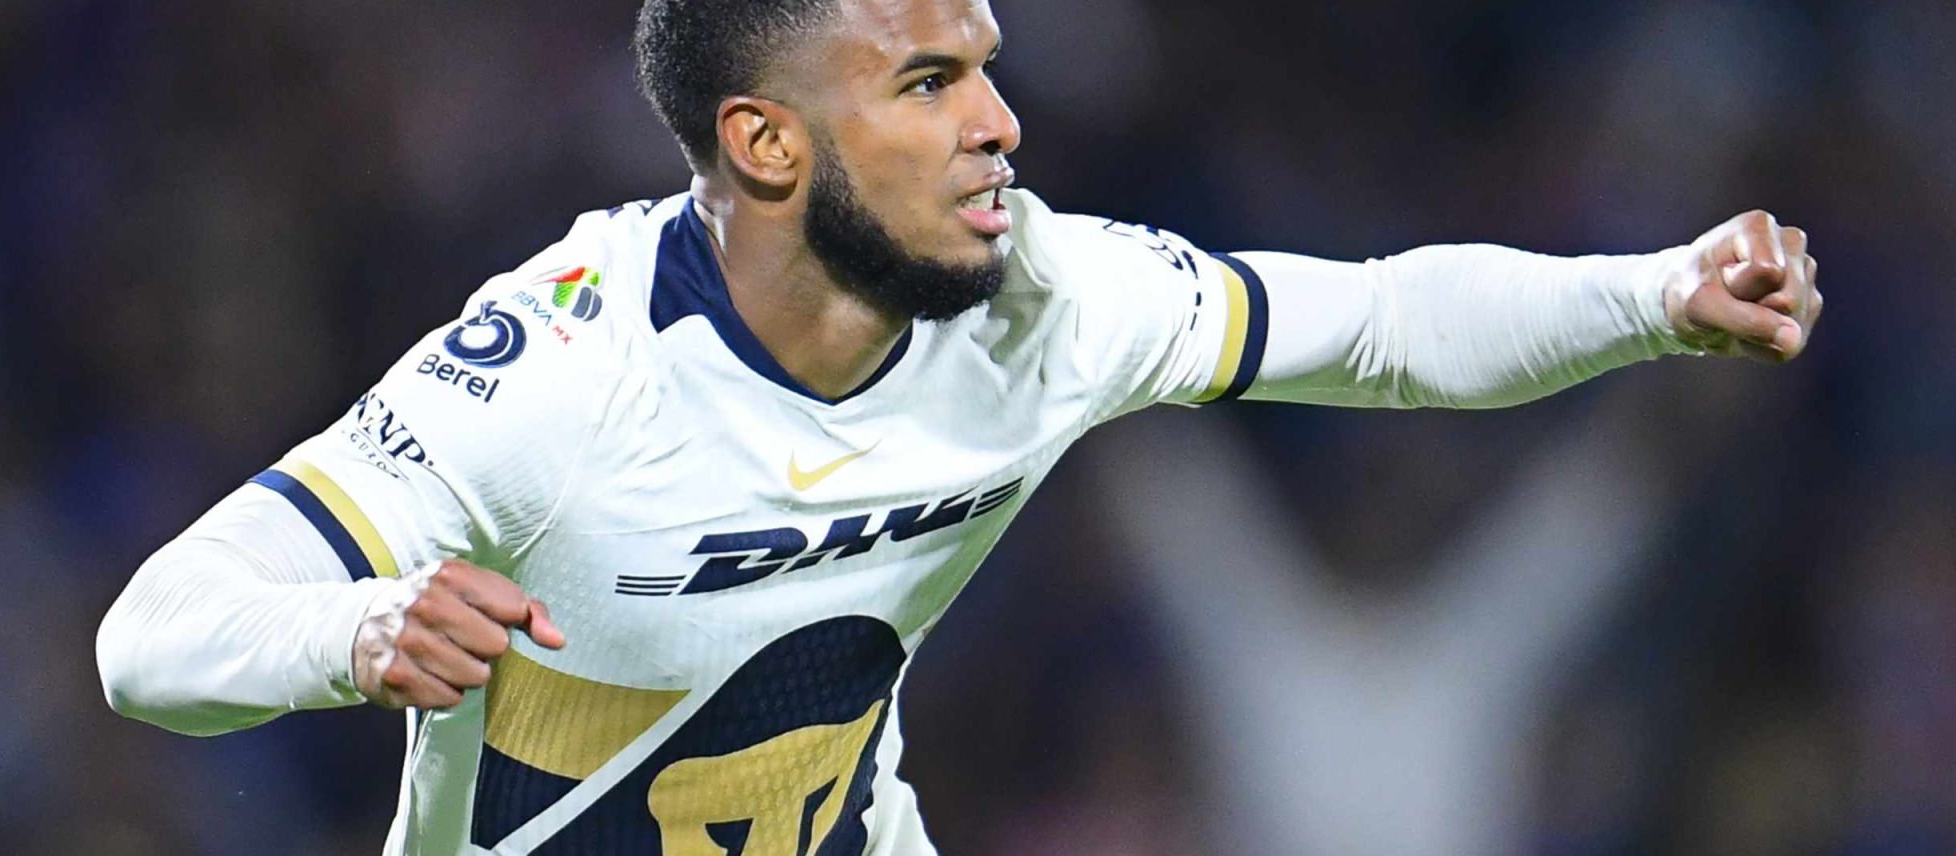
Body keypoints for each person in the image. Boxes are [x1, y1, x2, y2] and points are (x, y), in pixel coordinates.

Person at [94, 0, 1823, 853]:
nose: (1001, 121)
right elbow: (147, 639)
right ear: (768, 144)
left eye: (986, 62)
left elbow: (1372, 328)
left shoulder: (1046, 298)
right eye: (930, 83)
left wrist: (1655, 294)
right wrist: (360, 627)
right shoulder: (559, 372)